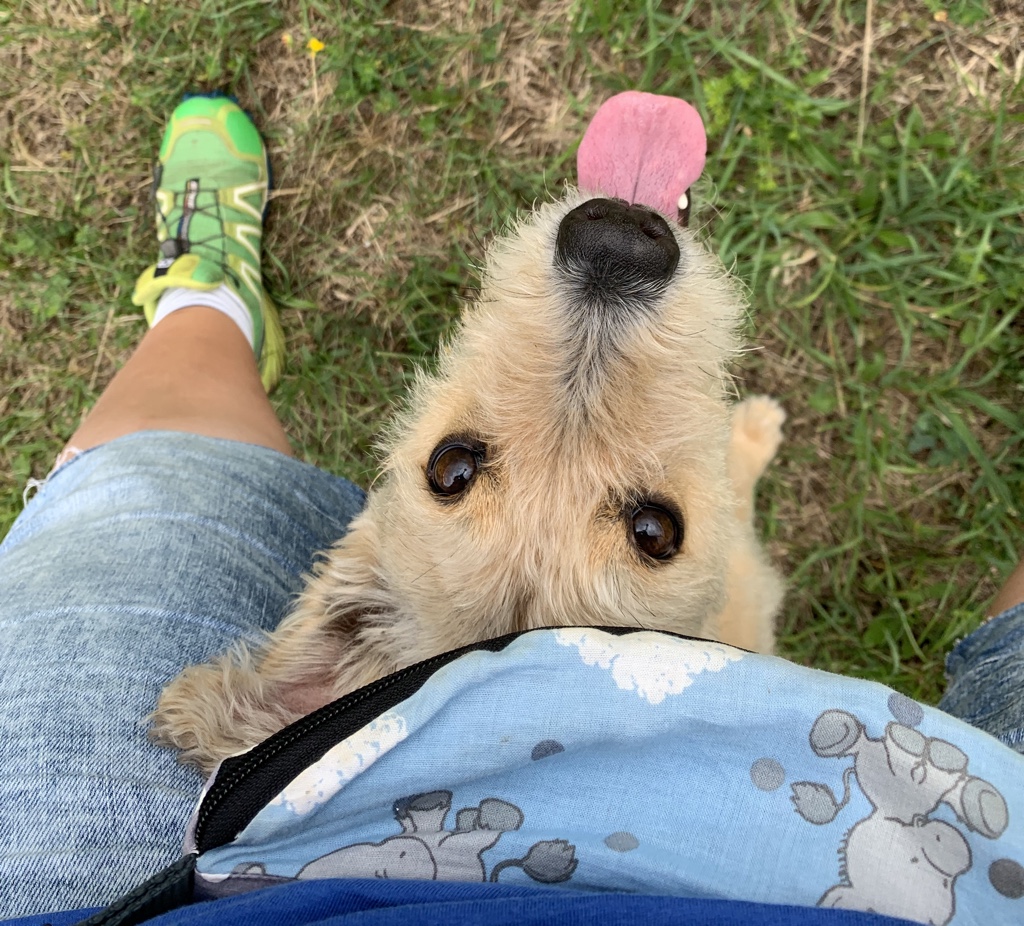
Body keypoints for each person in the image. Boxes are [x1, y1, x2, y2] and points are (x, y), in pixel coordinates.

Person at [1, 96, 1021, 926]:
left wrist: (270, 706)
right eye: (650, 528)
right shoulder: (734, 644)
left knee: (157, 471)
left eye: (458, 469)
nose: (605, 278)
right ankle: (728, 471)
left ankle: (206, 299)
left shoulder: (358, 631)